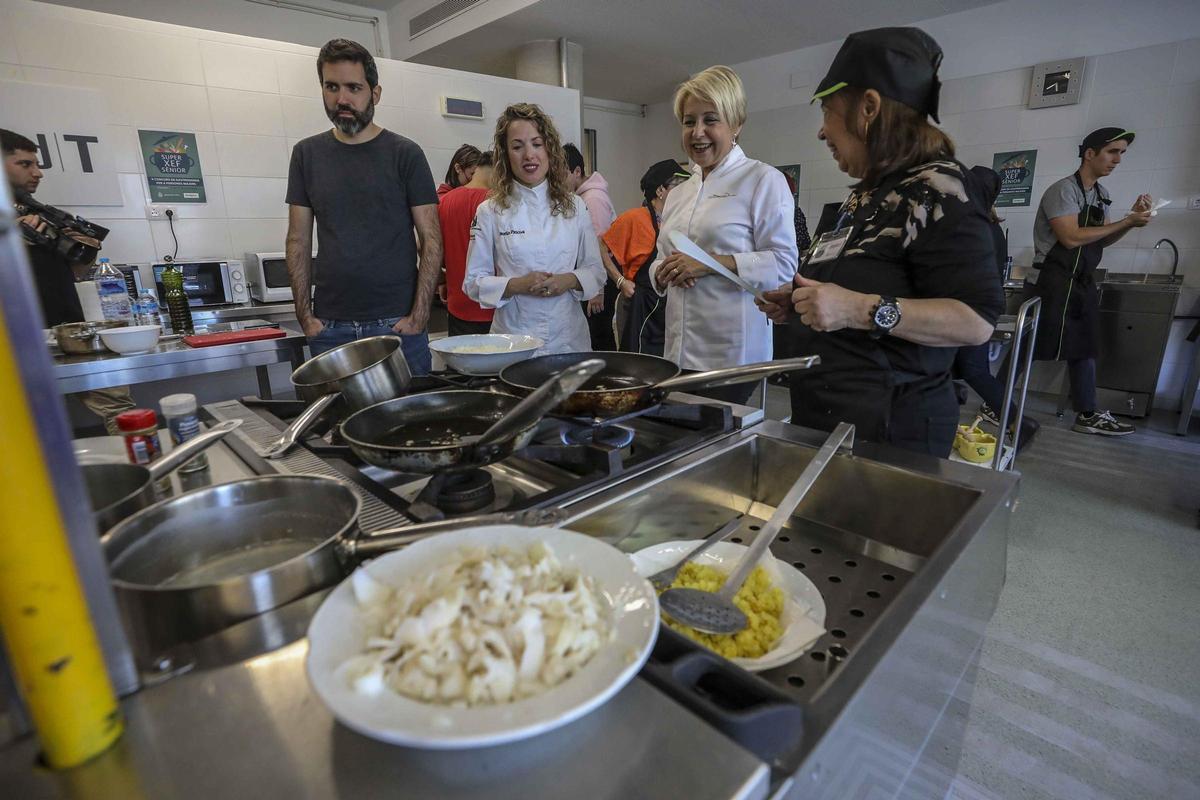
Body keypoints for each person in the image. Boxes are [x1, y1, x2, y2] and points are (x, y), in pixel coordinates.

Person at [758, 27, 1004, 457]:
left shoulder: (939, 190)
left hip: (892, 429)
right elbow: (860, 278)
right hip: (829, 416)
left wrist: (857, 309)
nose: (821, 132)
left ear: (868, 108)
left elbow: (976, 321)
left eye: (828, 112)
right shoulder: (867, 194)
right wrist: (800, 300)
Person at [285, 38, 442, 374]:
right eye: (332, 87)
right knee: (334, 412)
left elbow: (431, 238)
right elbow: (298, 240)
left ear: (375, 93)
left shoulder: (405, 154)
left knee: (410, 409)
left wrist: (419, 316)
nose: (342, 99)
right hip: (330, 328)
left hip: (397, 325)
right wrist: (305, 316)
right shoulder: (306, 155)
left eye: (353, 88)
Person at [650, 65, 798, 405]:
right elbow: (659, 258)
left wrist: (709, 264)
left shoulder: (763, 180)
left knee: (719, 435)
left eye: (710, 120)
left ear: (736, 124)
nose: (697, 132)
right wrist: (661, 272)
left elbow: (784, 265)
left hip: (733, 357)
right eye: (689, 121)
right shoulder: (679, 193)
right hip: (678, 352)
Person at [1001, 128, 1152, 436]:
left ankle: (1087, 413)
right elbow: (1070, 238)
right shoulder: (1063, 191)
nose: (1117, 160)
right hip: (1050, 281)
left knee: (1085, 345)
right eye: (1112, 152)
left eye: (1122, 153)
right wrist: (1126, 221)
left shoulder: (1101, 195)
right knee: (1028, 343)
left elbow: (1101, 240)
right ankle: (995, 403)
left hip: (1081, 282)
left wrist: (1129, 223)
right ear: (1090, 154)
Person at [3, 128, 135, 434]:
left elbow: (73, 273)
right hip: (15, 343)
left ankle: (143, 459)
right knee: (27, 426)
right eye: (25, 164)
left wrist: (81, 250)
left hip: (69, 331)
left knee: (120, 407)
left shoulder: (37, 214)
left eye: (37, 164)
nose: (37, 173)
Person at [463, 104, 604, 354]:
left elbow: (596, 271)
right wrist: (518, 285)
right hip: (514, 341)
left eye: (537, 144)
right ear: (506, 154)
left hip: (567, 340)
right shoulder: (490, 211)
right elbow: (473, 283)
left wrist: (568, 280)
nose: (529, 155)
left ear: (549, 149)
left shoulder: (575, 206)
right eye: (517, 147)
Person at [953, 165, 1038, 449]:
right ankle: (1016, 422)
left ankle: (1018, 422)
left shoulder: (974, 227)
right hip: (979, 307)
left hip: (968, 309)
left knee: (972, 369)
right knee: (965, 368)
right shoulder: (992, 227)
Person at [600, 159, 690, 355]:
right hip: (638, 305)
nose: (684, 193)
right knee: (636, 364)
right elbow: (601, 247)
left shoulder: (680, 221)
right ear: (660, 190)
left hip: (668, 307)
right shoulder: (634, 218)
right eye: (678, 186)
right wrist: (621, 281)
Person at [563, 142, 618, 350]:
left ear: (577, 171)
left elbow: (599, 245)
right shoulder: (581, 197)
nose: (557, 181)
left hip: (601, 280)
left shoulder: (592, 198)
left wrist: (597, 290)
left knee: (600, 337)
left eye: (562, 174)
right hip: (594, 278)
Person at [437, 150, 495, 337]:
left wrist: (441, 280)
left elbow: (427, 248)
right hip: (493, 307)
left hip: (458, 306)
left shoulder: (445, 201)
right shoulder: (496, 203)